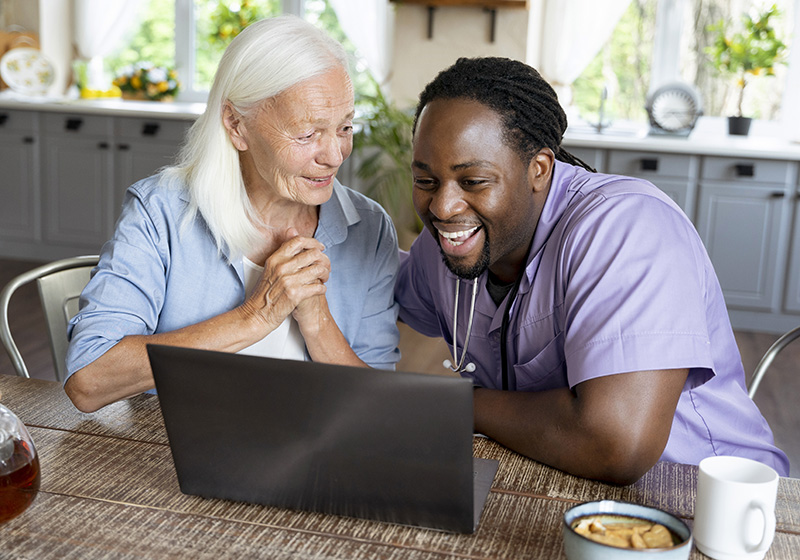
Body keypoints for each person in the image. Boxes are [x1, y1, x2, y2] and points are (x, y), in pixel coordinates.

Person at [395, 56, 789, 485]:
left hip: (701, 498)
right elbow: (378, 286)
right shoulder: (451, 243)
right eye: (426, 181)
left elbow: (616, 444)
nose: (442, 207)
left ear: (538, 169)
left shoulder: (627, 226)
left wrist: (459, 403)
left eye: (472, 181)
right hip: (553, 481)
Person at [65, 16, 400, 413]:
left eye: (345, 127)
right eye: (307, 134)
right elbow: (89, 380)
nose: (334, 155)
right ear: (236, 124)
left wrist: (318, 323)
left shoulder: (371, 227)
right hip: (174, 454)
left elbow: (382, 407)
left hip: (314, 456)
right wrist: (256, 314)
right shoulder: (161, 211)